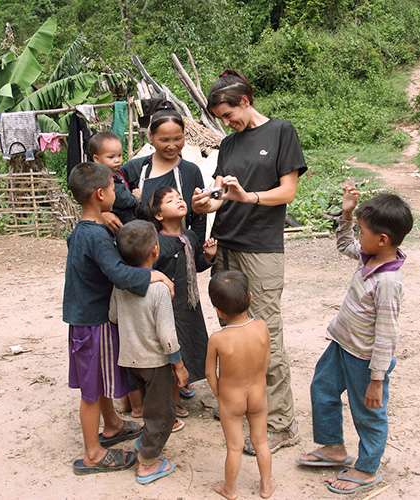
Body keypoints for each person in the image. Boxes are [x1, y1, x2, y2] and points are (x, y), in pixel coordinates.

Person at [192, 69, 307, 455]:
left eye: (228, 114)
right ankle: (240, 403)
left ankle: (281, 424)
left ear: (245, 101)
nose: (227, 122)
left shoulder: (280, 132)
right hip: (227, 241)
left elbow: (287, 191)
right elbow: (224, 193)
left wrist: (249, 198)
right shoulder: (229, 143)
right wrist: (208, 202)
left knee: (265, 335)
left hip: (261, 247)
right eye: (223, 118)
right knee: (231, 330)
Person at [297, 186, 413, 495]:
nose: (359, 237)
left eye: (363, 231)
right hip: (340, 345)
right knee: (322, 389)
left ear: (383, 239)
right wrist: (348, 214)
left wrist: (377, 379)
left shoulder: (388, 281)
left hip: (365, 360)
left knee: (369, 413)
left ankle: (366, 467)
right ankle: (333, 447)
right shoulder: (369, 255)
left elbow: (387, 334)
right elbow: (344, 243)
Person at [62, 162, 174, 475]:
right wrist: (155, 277)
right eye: (113, 189)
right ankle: (93, 455)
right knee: (90, 390)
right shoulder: (96, 237)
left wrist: (103, 218)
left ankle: (111, 425)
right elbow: (117, 272)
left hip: (86, 318)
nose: (117, 193)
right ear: (101, 194)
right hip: (92, 321)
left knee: (96, 380)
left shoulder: (85, 229)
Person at [111, 220, 189, 485]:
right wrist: (178, 365)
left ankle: (144, 441)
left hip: (129, 358)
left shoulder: (120, 285)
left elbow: (112, 316)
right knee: (163, 413)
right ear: (156, 251)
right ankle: (148, 463)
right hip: (154, 361)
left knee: (149, 408)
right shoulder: (159, 289)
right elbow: (167, 337)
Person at [146, 186, 218, 417]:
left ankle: (184, 382)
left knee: (191, 341)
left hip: (190, 303)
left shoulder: (190, 236)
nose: (178, 200)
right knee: (172, 346)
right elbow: (149, 272)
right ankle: (172, 402)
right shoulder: (156, 242)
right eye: (170, 200)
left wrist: (208, 256)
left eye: (179, 197)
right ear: (158, 215)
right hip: (168, 306)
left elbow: (195, 266)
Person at [206, 271, 275, 500]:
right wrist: (260, 378)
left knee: (234, 447)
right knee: (261, 441)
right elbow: (266, 359)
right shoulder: (262, 327)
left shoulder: (218, 338)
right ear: (251, 296)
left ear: (218, 310)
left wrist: (218, 394)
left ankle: (230, 489)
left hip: (231, 399)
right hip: (257, 393)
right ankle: (266, 486)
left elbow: (209, 373)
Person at [122, 108, 206, 244]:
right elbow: (114, 201)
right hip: (139, 251)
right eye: (164, 140)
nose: (172, 146)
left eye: (178, 138)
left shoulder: (191, 171)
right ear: (151, 137)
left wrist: (197, 254)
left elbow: (199, 217)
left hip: (180, 252)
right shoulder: (135, 169)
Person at [88, 132, 139, 231]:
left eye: (119, 155)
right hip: (119, 222)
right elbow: (124, 200)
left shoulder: (116, 173)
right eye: (111, 157)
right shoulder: (105, 179)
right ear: (96, 159)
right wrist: (136, 198)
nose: (117, 160)